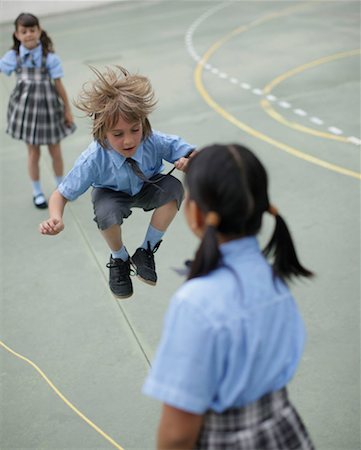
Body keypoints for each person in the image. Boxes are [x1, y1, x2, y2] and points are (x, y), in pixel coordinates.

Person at [143, 143, 315, 449]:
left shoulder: (195, 302)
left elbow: (178, 433)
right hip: (286, 432)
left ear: (195, 212)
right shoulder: (274, 279)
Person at [39, 66, 195, 299]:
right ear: (102, 132)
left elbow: (192, 153)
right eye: (118, 134)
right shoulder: (93, 158)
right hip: (111, 193)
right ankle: (120, 258)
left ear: (144, 123)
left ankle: (146, 250)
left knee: (174, 188)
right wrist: (56, 218)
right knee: (106, 212)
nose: (129, 140)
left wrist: (188, 161)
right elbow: (60, 194)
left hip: (147, 186)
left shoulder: (153, 141)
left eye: (135, 129)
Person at [0, 12, 75, 209]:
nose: (28, 35)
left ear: (39, 31)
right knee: (33, 153)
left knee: (55, 150)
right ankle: (37, 191)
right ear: (17, 34)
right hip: (26, 111)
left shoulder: (49, 57)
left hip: (49, 109)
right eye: (23, 31)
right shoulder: (13, 57)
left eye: (32, 30)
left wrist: (67, 109)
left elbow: (59, 85)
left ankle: (61, 188)